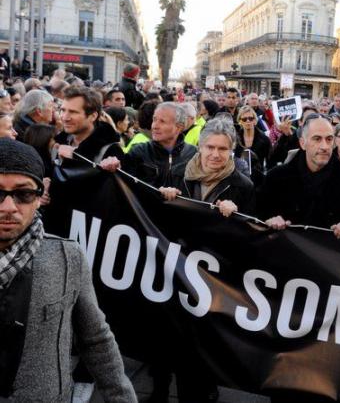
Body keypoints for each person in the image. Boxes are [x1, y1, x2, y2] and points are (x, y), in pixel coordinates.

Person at [0, 138, 137, 401]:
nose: (9, 207)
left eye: (23, 194)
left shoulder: (66, 256)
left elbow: (96, 339)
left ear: (40, 196)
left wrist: (121, 397)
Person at [258, 114, 340, 238]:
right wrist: (269, 221)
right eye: (317, 139)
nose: (324, 146)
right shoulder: (276, 178)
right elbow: (257, 218)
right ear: (302, 143)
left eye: (329, 139)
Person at [159, 118, 255, 216]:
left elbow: (250, 225)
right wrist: (162, 197)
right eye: (210, 147)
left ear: (231, 151)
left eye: (222, 149)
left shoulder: (243, 186)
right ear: (200, 147)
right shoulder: (176, 174)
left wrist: (236, 213)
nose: (215, 154)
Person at [100, 102, 196, 189]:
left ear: (178, 128)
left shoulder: (193, 154)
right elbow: (125, 182)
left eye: (162, 121)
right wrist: (115, 166)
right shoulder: (139, 151)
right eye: (154, 120)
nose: (155, 126)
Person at [54, 85, 122, 164]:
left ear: (93, 116)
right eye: (63, 110)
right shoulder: (57, 142)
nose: (65, 118)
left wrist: (76, 156)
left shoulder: (110, 151)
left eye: (73, 112)